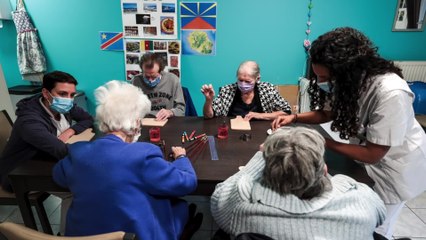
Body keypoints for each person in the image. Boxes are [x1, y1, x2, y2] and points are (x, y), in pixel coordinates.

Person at [272, 27, 426, 240]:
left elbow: (373, 153)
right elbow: (328, 112)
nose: (320, 82)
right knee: (356, 217)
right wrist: (295, 118)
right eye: (317, 76)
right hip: (368, 162)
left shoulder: (391, 92)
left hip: (396, 167)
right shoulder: (348, 84)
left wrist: (319, 140)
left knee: (375, 227)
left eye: (324, 77)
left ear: (347, 70)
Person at [52, 80, 200, 240]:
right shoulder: (143, 154)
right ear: (136, 123)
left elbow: (58, 176)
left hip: (83, 236)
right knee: (179, 205)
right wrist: (181, 157)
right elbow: (187, 182)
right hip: (135, 236)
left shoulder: (77, 152)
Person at [211, 126, 386, 240]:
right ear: (323, 170)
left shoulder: (240, 209)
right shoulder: (360, 203)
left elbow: (219, 196)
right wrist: (339, 181)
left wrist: (260, 156)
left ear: (268, 172)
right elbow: (381, 212)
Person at [0, 70, 93, 234]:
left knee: (86, 180)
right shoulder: (29, 120)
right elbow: (61, 150)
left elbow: (87, 119)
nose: (68, 99)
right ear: (46, 92)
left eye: (72, 95)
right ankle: (67, 235)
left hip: (46, 160)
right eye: (62, 93)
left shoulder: (64, 106)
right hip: (19, 173)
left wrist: (71, 131)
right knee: (78, 189)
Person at [201, 61, 292, 120]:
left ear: (258, 78)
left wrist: (259, 115)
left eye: (248, 81)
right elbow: (208, 115)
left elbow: (287, 112)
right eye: (240, 80)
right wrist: (208, 101)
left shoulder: (268, 89)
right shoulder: (227, 90)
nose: (243, 84)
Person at [132, 52, 185, 120]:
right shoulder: (136, 81)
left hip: (167, 121)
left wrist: (171, 112)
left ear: (160, 71)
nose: (150, 80)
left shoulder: (173, 80)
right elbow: (131, 108)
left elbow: (181, 110)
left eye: (154, 76)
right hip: (144, 121)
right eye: (147, 76)